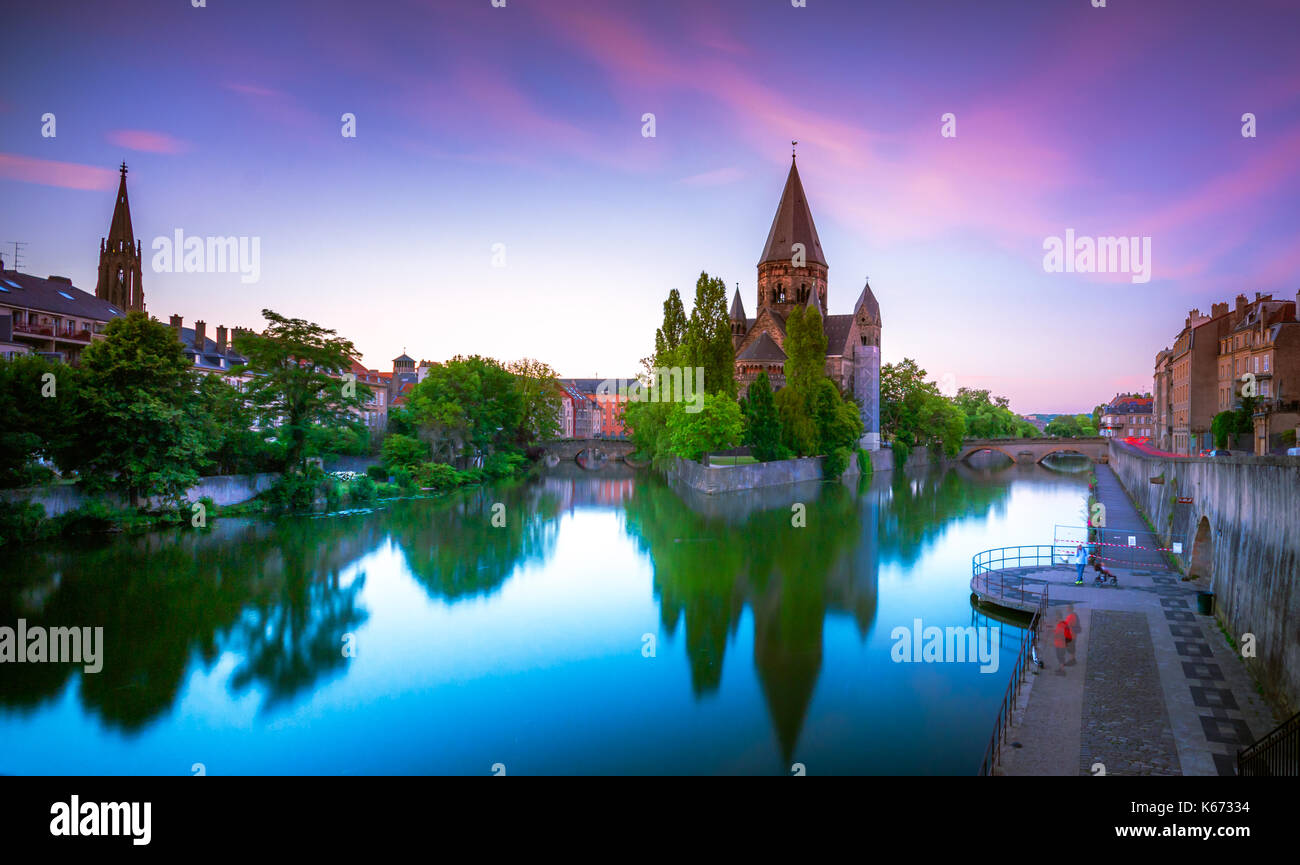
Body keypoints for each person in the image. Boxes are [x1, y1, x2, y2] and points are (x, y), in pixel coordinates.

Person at [1052, 611, 1071, 675]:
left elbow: (1061, 634)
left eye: (1056, 616)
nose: (1055, 617)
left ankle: (1062, 671)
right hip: (1059, 644)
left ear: (1058, 617)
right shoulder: (1060, 623)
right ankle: (1061, 668)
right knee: (1059, 656)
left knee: (1061, 657)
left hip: (1061, 644)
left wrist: (1055, 634)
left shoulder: (1062, 624)